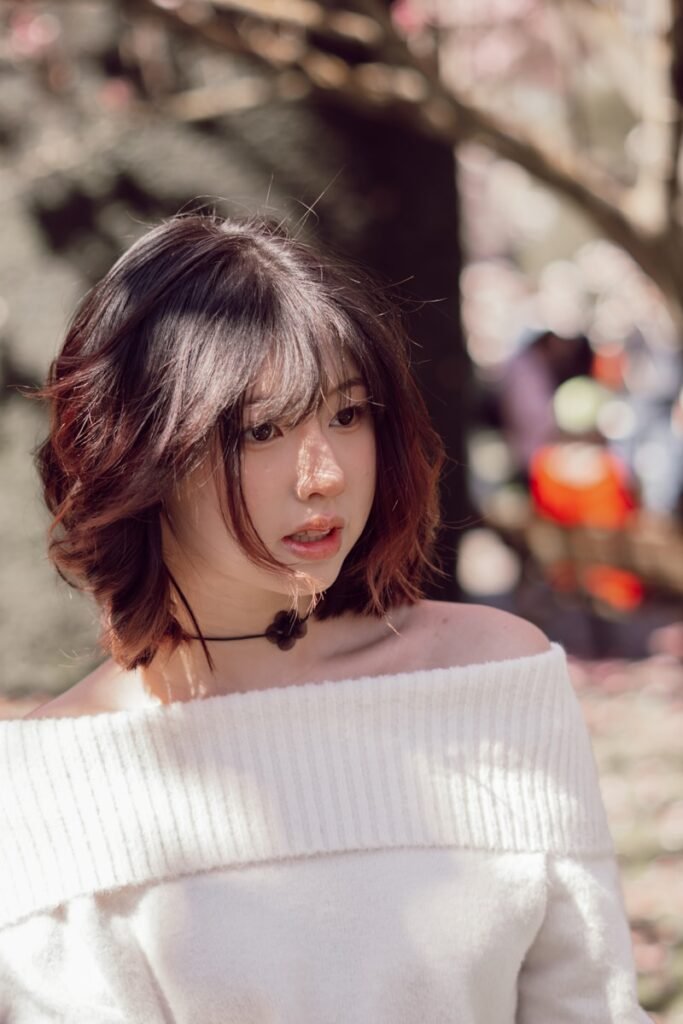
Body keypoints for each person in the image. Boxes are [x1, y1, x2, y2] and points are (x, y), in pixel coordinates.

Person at [0, 213, 650, 1023]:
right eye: (263, 430)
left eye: (347, 415)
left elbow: (587, 1003)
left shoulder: (490, 679)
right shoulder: (50, 787)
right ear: (138, 453)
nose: (324, 475)